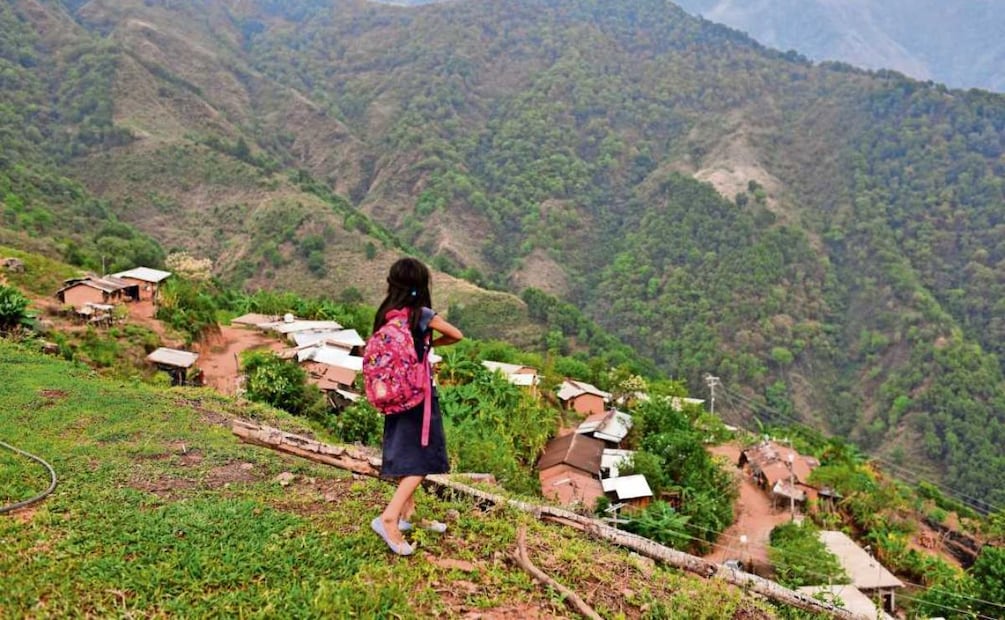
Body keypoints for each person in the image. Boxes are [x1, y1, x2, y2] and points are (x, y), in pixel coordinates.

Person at [370, 257, 463, 556]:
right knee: (422, 459)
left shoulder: (386, 314)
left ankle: (409, 515)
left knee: (405, 453)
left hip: (394, 395)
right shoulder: (421, 315)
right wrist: (430, 344)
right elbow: (456, 335)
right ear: (421, 285)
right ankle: (389, 518)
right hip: (418, 397)